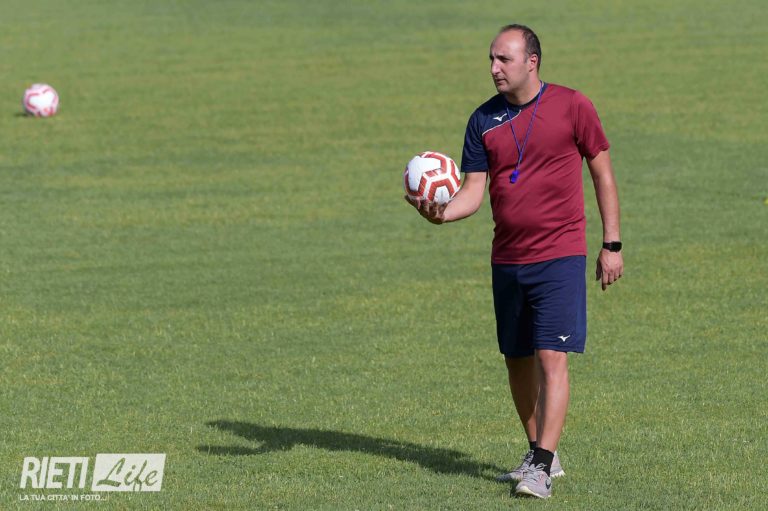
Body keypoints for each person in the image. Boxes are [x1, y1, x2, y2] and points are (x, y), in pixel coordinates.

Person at [405, 24, 623, 499]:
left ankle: (541, 468)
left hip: (560, 255)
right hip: (507, 258)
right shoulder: (482, 120)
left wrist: (612, 243)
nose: (493, 68)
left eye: (503, 59)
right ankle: (539, 450)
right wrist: (440, 214)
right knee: (516, 360)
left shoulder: (573, 106)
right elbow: (472, 192)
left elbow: (602, 172)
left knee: (551, 357)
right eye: (491, 59)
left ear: (532, 61)